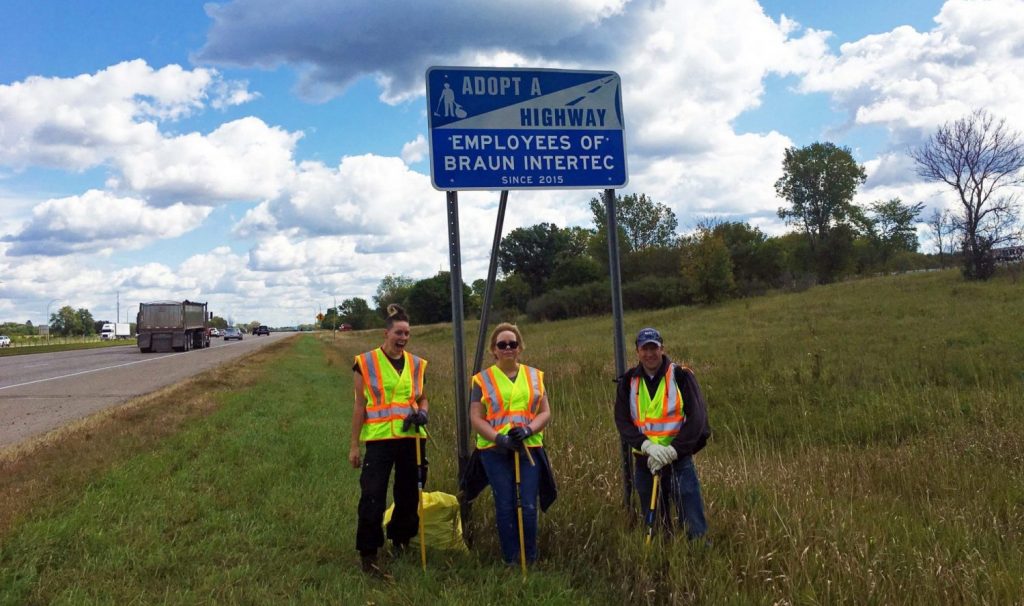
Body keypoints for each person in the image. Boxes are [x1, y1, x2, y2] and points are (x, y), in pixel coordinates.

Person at [348, 304, 429, 575]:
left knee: (408, 496)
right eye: (398, 332)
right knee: (372, 496)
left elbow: (421, 398)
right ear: (386, 333)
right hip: (380, 441)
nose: (403, 338)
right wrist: (354, 445)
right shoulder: (366, 362)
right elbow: (359, 405)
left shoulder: (417, 364)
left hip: (411, 439)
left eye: (407, 333)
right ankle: (369, 553)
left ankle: (401, 541)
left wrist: (423, 413)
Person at [469, 323, 553, 566]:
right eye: (502, 345)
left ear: (520, 348)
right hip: (495, 451)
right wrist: (500, 439)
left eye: (512, 344)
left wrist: (528, 430)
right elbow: (476, 417)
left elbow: (545, 412)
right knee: (505, 504)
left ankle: (530, 558)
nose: (508, 348)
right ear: (494, 350)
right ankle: (511, 560)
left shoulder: (535, 376)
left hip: (529, 449)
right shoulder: (481, 380)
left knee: (527, 504)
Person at [614, 327, 710, 540]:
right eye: (644, 349)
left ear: (662, 349)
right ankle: (661, 562)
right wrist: (646, 446)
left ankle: (698, 557)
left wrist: (673, 450)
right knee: (654, 524)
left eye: (654, 348)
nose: (650, 354)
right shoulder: (629, 381)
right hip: (645, 463)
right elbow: (622, 421)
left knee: (693, 522)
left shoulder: (680, 376)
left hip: (679, 461)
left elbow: (697, 419)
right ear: (637, 351)